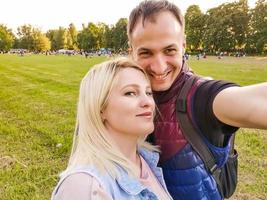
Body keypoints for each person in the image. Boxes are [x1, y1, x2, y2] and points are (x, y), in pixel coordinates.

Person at [127, 0, 267, 199]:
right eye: (146, 52)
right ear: (131, 50)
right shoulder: (118, 97)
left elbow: (255, 101)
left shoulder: (203, 97)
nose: (159, 67)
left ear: (183, 45)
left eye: (169, 50)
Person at [51, 58, 173, 200]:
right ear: (100, 107)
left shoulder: (146, 161)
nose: (147, 102)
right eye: (130, 93)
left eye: (148, 92)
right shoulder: (85, 186)